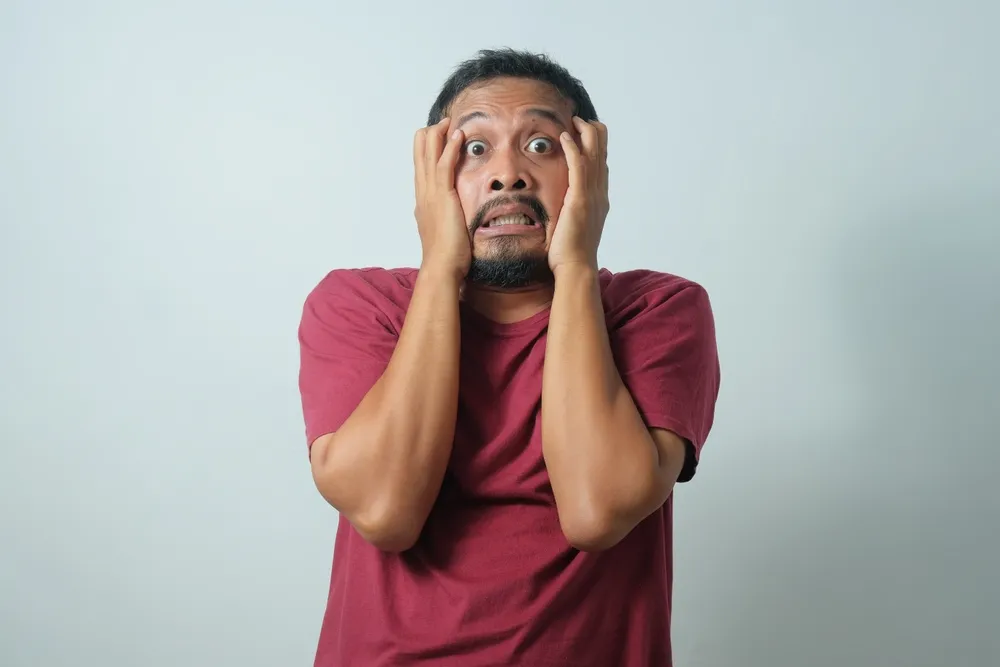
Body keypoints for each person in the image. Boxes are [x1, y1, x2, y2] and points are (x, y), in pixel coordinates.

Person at [297, 48, 721, 667]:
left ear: (591, 170)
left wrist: (574, 264)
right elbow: (385, 511)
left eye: (542, 146)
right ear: (431, 174)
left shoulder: (657, 311)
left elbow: (597, 511)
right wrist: (441, 263)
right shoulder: (361, 306)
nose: (507, 176)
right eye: (474, 149)